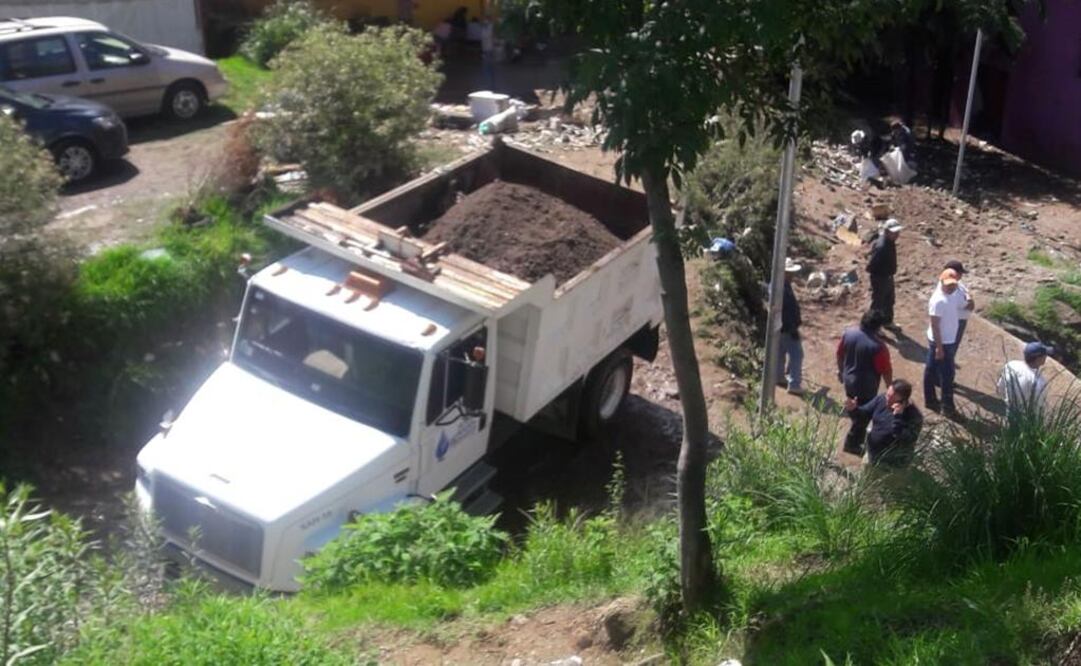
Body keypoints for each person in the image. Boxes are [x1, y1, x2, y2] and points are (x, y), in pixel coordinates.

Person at [837, 309, 893, 455]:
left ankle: (855, 433)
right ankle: (852, 444)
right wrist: (890, 387)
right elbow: (885, 370)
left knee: (854, 407)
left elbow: (840, 354)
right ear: (878, 327)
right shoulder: (878, 347)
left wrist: (841, 371)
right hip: (866, 387)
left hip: (849, 381)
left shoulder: (848, 333)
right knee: (863, 417)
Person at [845, 379, 923, 467]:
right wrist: (854, 409)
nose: (887, 401)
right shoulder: (881, 399)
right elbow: (863, 416)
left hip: (893, 465)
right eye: (888, 395)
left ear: (903, 402)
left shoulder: (914, 417)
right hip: (872, 455)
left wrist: (897, 417)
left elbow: (906, 439)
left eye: (892, 400)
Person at [924, 268, 967, 419]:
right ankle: (948, 408)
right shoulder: (938, 301)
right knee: (947, 375)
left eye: (953, 284)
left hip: (948, 340)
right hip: (942, 342)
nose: (951, 287)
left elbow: (964, 304)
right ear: (941, 281)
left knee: (930, 370)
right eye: (948, 284)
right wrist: (939, 347)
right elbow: (935, 325)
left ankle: (930, 400)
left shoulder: (954, 294)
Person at [996, 341, 1054, 417]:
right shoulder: (1039, 382)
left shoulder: (1011, 365)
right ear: (1038, 359)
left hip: (1009, 411)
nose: (1046, 356)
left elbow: (1000, 389)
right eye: (1044, 355)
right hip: (1025, 420)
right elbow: (1038, 409)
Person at [867, 218, 902, 331]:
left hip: (888, 276)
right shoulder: (881, 246)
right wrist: (878, 278)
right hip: (880, 278)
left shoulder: (890, 241)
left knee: (889, 300)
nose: (897, 234)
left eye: (898, 232)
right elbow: (872, 265)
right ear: (887, 231)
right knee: (878, 303)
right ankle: (874, 327)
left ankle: (887, 322)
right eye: (894, 232)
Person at [778, 258, 804, 396]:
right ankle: (794, 384)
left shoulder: (780, 285)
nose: (792, 275)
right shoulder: (782, 289)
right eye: (790, 272)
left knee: (780, 352)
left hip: (780, 327)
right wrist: (793, 328)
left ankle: (779, 377)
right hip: (788, 328)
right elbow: (786, 311)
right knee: (797, 355)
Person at [943, 260, 974, 365]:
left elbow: (967, 293)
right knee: (951, 347)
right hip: (956, 322)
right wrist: (970, 299)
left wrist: (969, 297)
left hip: (957, 320)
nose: (961, 275)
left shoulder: (956, 283)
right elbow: (970, 306)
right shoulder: (952, 289)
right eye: (960, 273)